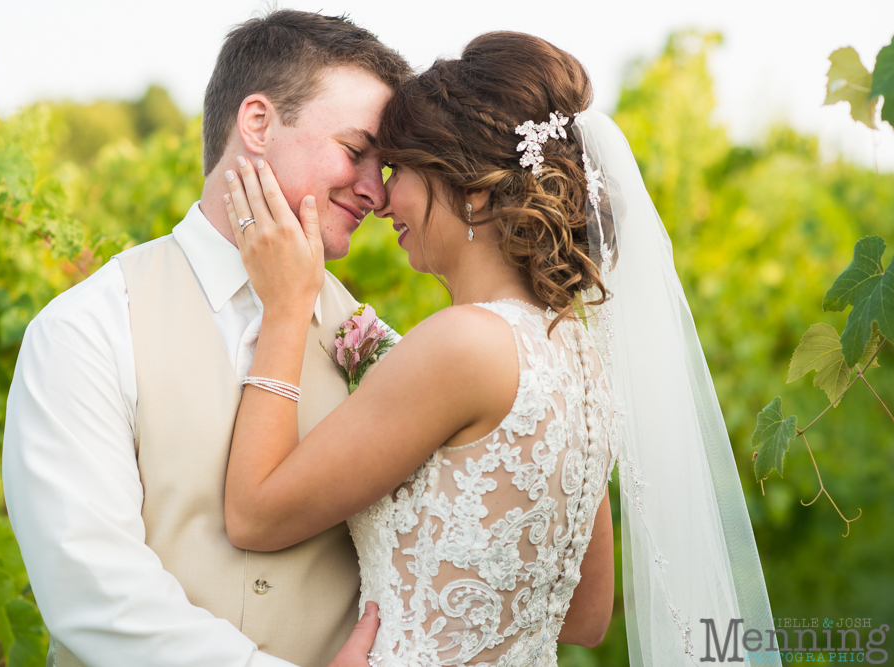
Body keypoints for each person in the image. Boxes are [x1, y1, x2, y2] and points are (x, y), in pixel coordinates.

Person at [220, 31, 781, 667]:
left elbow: (253, 517)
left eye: (400, 169)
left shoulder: (464, 345)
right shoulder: (579, 356)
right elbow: (587, 615)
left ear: (475, 189)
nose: (383, 199)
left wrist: (288, 308)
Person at [2, 10, 410, 667]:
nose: (375, 192)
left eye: (385, 168)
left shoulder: (372, 341)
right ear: (257, 123)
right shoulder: (85, 328)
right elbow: (93, 590)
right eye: (357, 152)